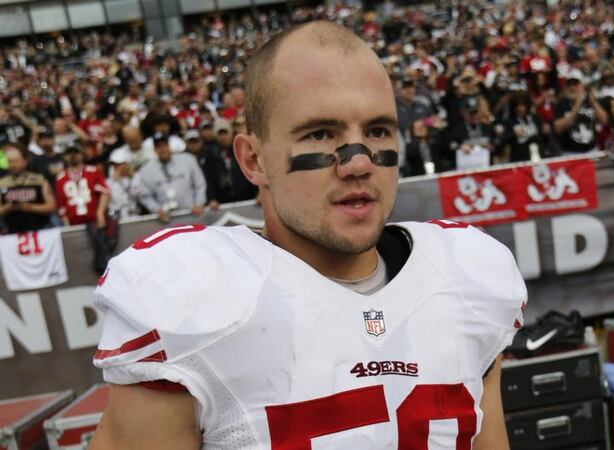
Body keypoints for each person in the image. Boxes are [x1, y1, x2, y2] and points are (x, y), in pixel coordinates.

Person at [90, 21, 526, 450]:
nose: (358, 163)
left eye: (377, 131)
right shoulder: (191, 297)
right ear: (254, 160)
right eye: (320, 133)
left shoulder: (466, 278)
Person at [54, 145, 110, 275]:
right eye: (69, 153)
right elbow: (61, 204)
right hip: (75, 223)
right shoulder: (61, 178)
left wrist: (100, 212)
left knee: (102, 250)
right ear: (64, 157)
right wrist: (67, 225)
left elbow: (104, 192)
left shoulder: (92, 171)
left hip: (94, 220)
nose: (72, 156)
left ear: (81, 154)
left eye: (75, 152)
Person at [132, 132, 206, 222]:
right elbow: (144, 196)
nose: (162, 149)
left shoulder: (187, 160)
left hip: (192, 214)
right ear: (154, 150)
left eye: (164, 145)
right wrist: (156, 209)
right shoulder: (146, 170)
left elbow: (200, 184)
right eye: (158, 147)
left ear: (169, 146)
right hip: (166, 220)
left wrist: (199, 203)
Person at [0, 144, 56, 233]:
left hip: (41, 231)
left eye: (16, 161)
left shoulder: (39, 180)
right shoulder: (2, 183)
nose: (13, 165)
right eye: (10, 162)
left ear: (24, 161)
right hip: (13, 234)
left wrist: (30, 207)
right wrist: (9, 207)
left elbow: (52, 206)